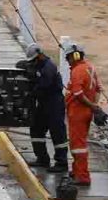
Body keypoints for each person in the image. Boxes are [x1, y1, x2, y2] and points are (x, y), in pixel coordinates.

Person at [16, 43, 69, 173]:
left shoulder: (48, 68)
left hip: (54, 102)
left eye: (33, 60)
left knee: (57, 132)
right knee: (36, 128)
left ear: (39, 56)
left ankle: (61, 162)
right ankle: (42, 158)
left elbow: (42, 87)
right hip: (44, 103)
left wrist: (29, 93)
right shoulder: (39, 65)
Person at [64, 43, 103, 186]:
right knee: (80, 142)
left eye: (68, 58)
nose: (67, 61)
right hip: (86, 112)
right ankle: (76, 171)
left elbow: (78, 93)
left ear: (74, 56)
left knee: (77, 145)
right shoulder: (90, 67)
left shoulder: (77, 71)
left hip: (78, 112)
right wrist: (94, 106)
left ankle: (82, 176)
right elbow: (98, 89)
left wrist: (92, 106)